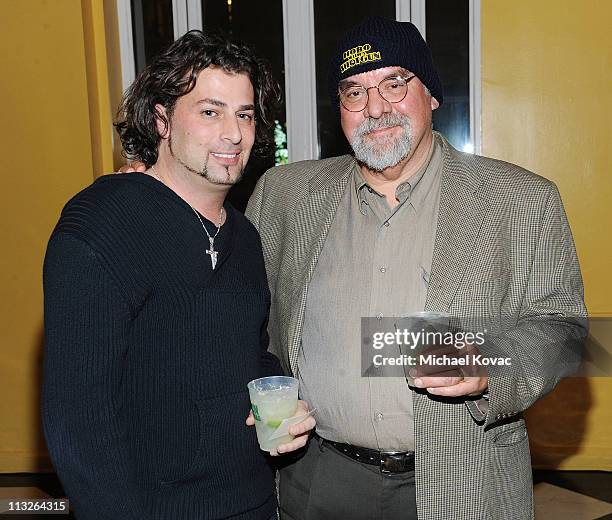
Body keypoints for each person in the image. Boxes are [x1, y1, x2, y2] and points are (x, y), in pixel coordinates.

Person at [245, 16, 587, 520]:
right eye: (354, 93)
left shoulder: (519, 198)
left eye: (395, 84)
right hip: (319, 479)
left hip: (465, 481)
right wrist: (159, 189)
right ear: (339, 109)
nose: (376, 108)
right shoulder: (286, 195)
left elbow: (562, 331)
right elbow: (236, 304)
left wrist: (487, 362)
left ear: (430, 96)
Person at [42, 30, 314, 520]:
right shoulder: (103, 223)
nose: (234, 134)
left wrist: (279, 395)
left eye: (245, 114)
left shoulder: (246, 238)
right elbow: (78, 420)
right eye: (210, 111)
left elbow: (244, 352)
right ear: (161, 118)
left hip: (252, 503)